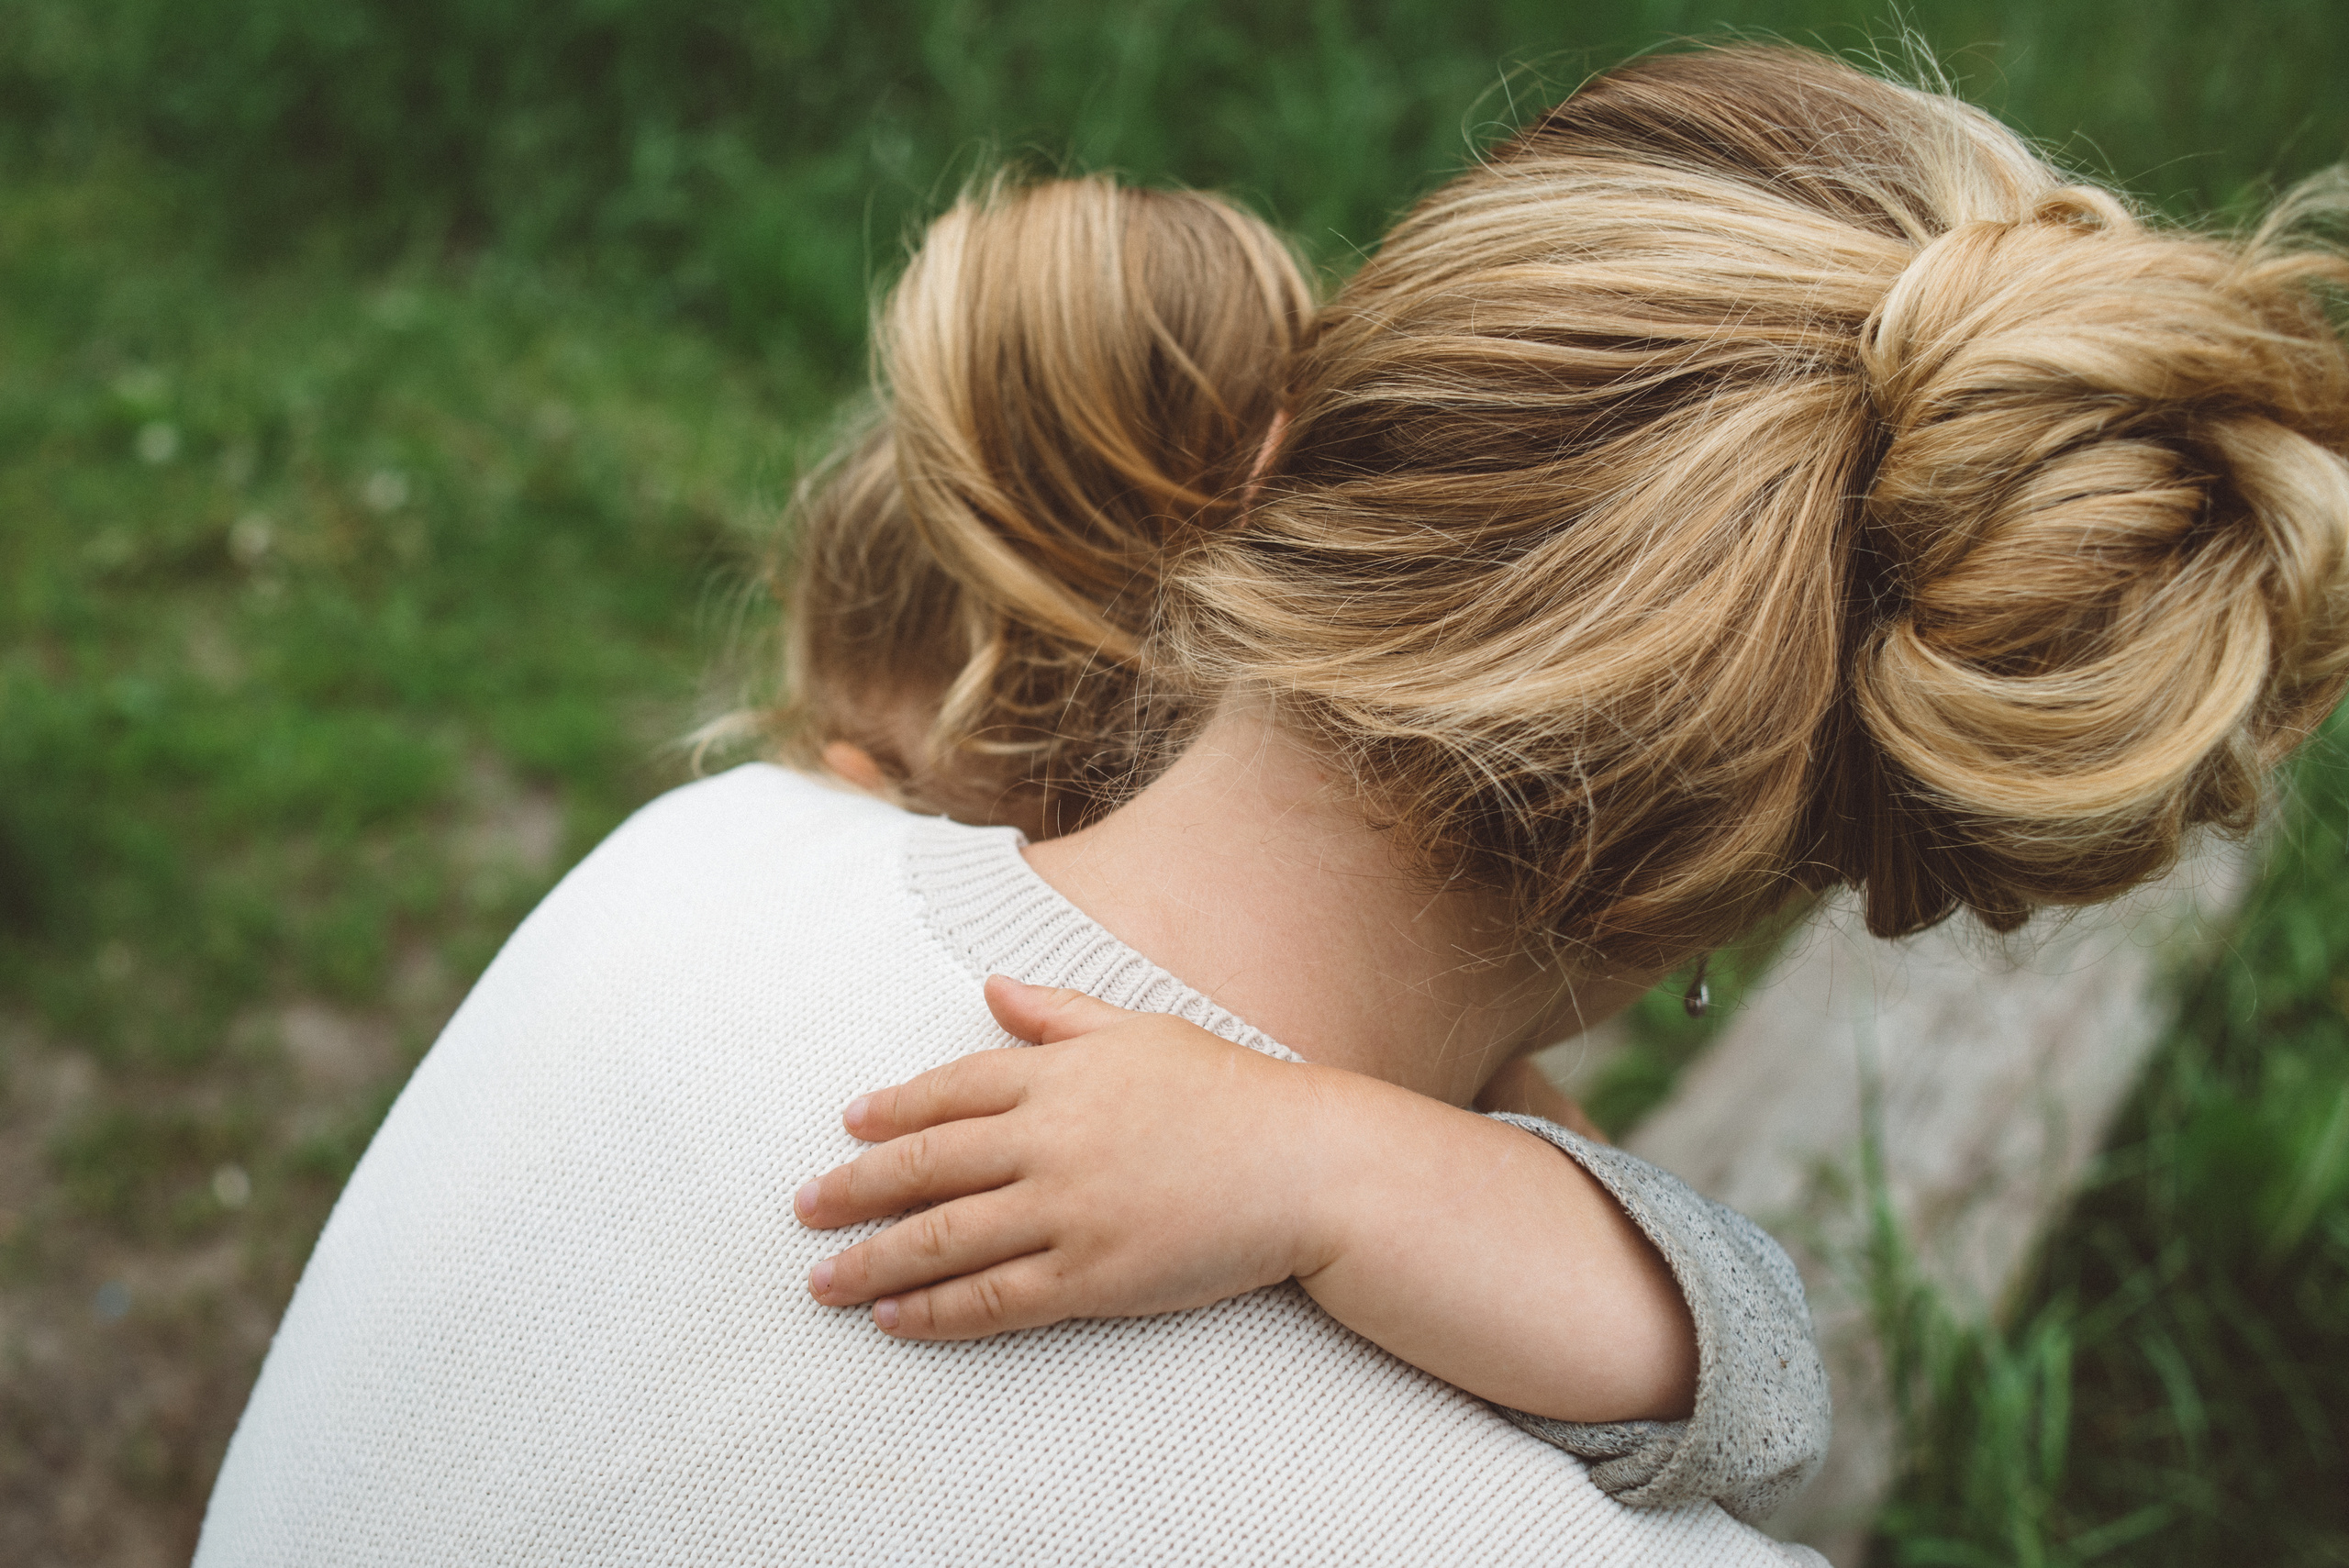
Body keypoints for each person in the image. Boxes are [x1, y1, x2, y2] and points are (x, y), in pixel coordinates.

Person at [196, 43, 2349, 1566]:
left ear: (1336, 429)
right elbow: (1759, 1394)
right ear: (1801, 835)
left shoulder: (688, 861)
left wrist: (1325, 1166)